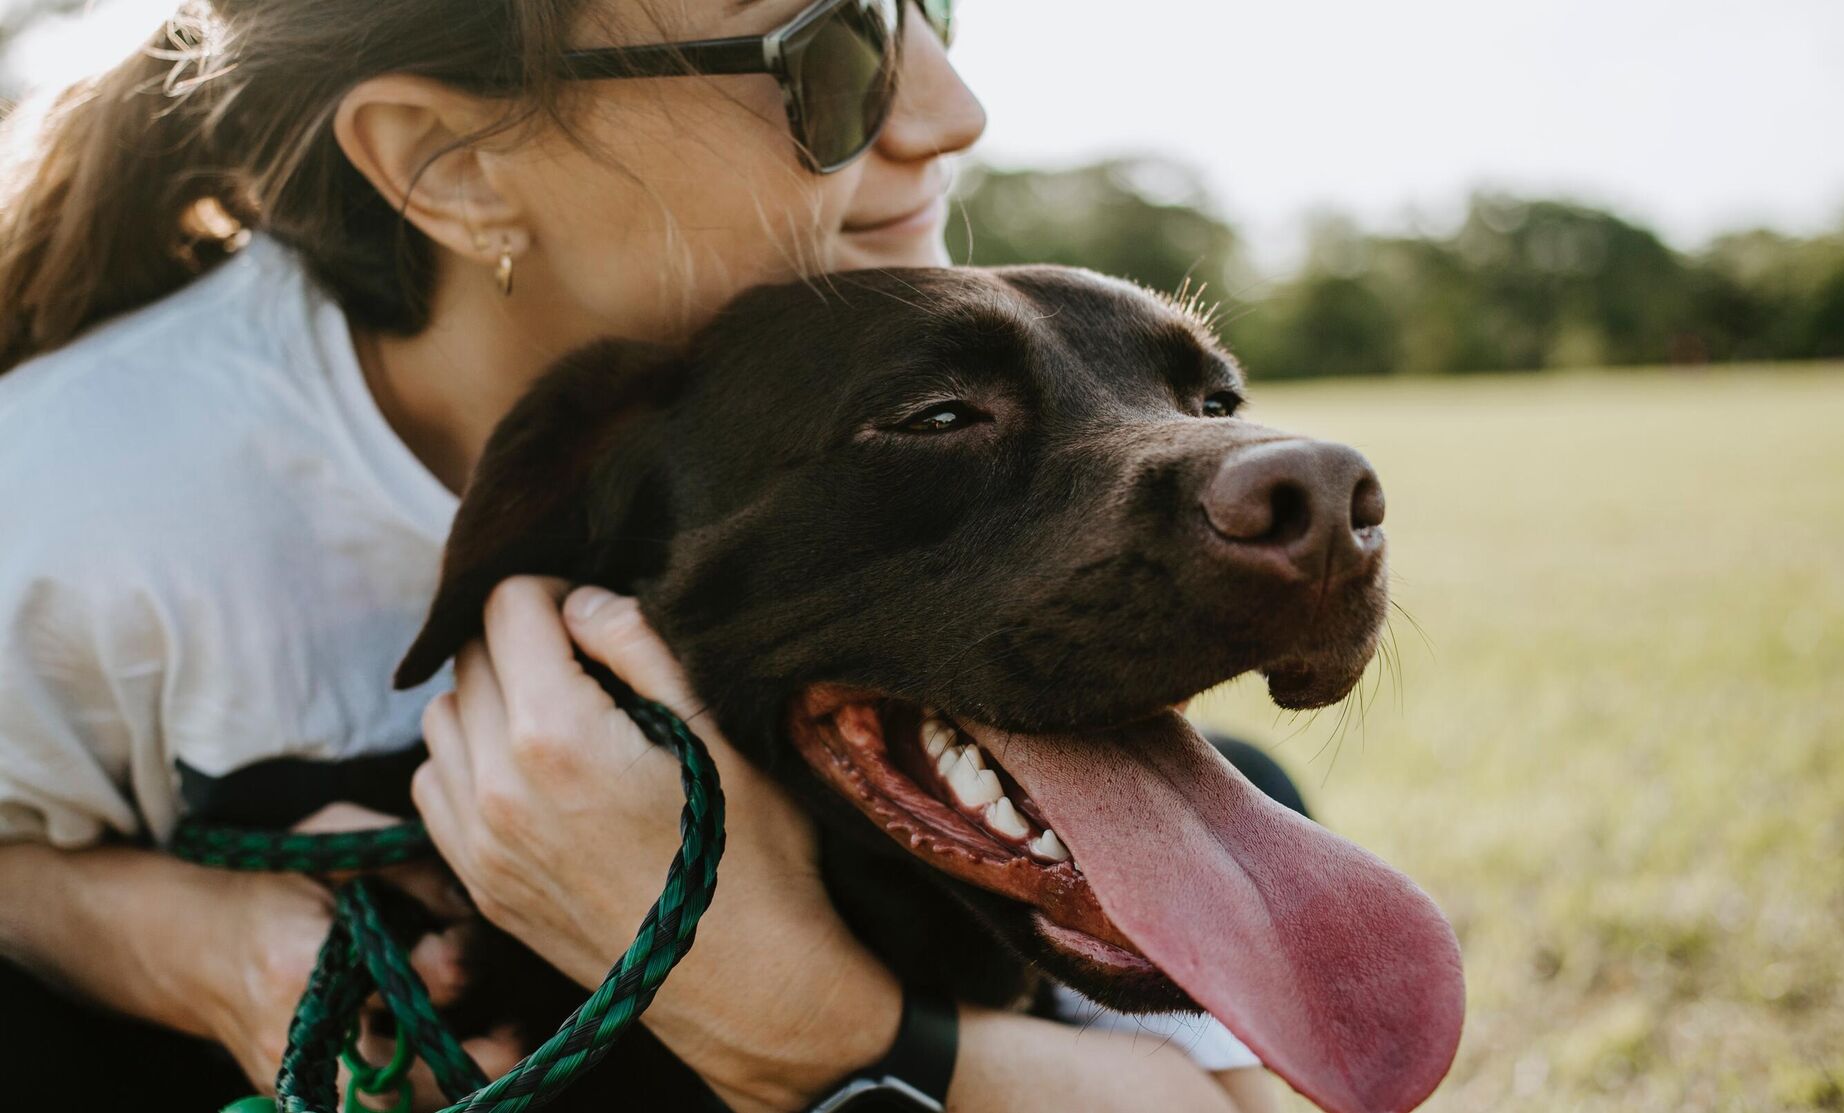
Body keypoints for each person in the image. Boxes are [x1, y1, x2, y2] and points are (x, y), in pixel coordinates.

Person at [0, 1, 1285, 1110]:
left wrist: (791, 1009)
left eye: (922, 9)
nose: (952, 112)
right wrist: (197, 948)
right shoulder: (71, 502)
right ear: (452, 164)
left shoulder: (865, 367)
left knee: (1246, 778)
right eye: (824, 53)